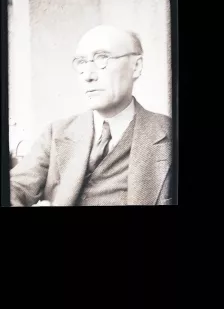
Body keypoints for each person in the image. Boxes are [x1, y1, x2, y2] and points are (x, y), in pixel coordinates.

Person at [10, 25, 172, 206]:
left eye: (102, 58)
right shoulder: (56, 132)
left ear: (136, 66)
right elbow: (14, 188)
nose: (87, 75)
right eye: (81, 62)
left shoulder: (170, 134)